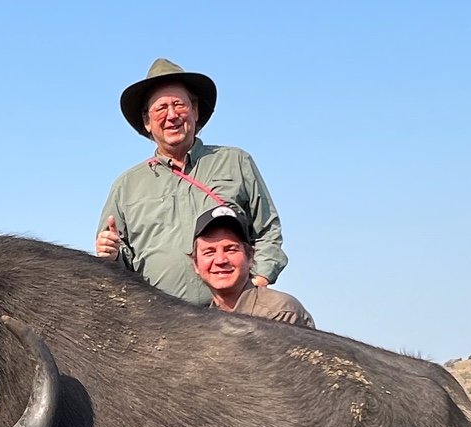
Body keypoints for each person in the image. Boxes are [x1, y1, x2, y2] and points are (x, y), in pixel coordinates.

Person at [95, 58, 288, 306]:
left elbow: (268, 231)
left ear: (195, 111)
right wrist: (108, 255)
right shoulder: (126, 186)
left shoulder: (235, 161)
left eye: (179, 104)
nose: (172, 115)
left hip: (236, 316)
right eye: (161, 108)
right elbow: (118, 265)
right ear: (147, 121)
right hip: (162, 321)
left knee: (288, 310)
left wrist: (258, 283)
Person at [191, 204, 315, 327]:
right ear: (195, 264)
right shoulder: (200, 323)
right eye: (209, 252)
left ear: (250, 257)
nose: (220, 260)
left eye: (231, 249)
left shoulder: (280, 313)